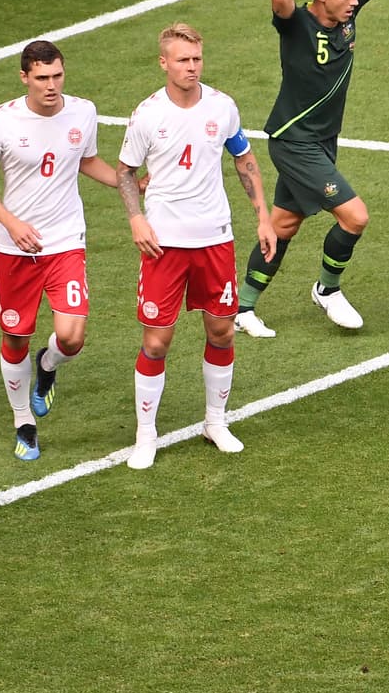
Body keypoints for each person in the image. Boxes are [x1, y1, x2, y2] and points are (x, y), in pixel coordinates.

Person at [116, 23, 276, 471]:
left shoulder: (222, 106)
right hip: (163, 245)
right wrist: (136, 218)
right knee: (156, 341)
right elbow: (126, 172)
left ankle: (215, 421)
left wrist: (262, 215)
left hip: (214, 239)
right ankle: (145, 436)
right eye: (182, 60)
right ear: (164, 62)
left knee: (222, 331)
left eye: (197, 59)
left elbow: (243, 158)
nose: (191, 67)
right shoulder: (147, 114)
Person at [233, 0, 389, 337]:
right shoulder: (297, 24)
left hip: (321, 141)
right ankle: (327, 289)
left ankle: (243, 308)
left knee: (284, 224)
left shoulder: (347, 13)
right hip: (295, 142)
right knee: (355, 216)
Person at [0, 40, 122, 460]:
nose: (51, 85)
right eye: (42, 78)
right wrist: (12, 223)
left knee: (72, 337)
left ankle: (49, 366)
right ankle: (24, 422)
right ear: (25, 78)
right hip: (15, 249)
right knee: (14, 336)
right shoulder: (0, 121)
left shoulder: (83, 111)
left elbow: (86, 160)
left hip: (65, 242)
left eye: (57, 75)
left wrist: (127, 183)